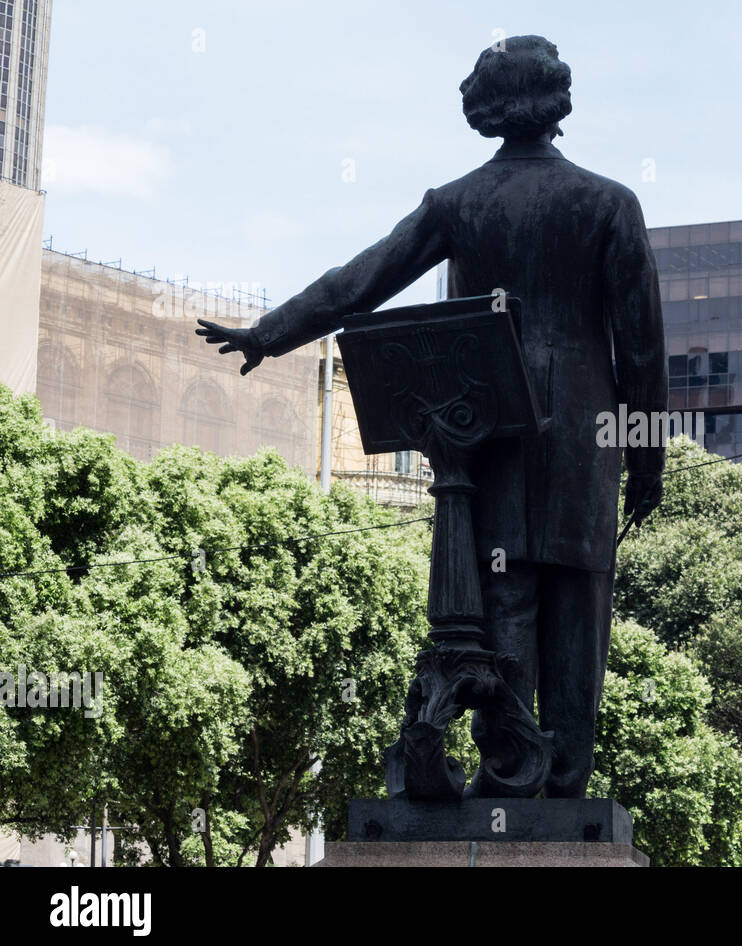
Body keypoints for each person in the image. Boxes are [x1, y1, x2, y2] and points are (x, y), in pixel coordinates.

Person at [196, 35, 667, 798]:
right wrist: (647, 459)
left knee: (500, 595)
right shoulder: (610, 203)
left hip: (490, 424)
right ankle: (565, 787)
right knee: (577, 599)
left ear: (488, 107)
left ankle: (503, 772)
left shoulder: (457, 203)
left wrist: (269, 333)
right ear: (555, 103)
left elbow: (360, 281)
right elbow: (642, 349)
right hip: (586, 435)